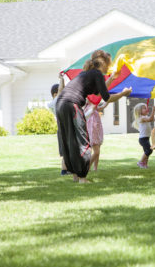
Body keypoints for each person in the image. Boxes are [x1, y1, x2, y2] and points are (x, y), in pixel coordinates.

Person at [56, 50, 132, 183]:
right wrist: (123, 94)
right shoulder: (97, 74)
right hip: (71, 104)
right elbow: (106, 97)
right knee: (82, 141)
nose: (109, 67)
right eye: (109, 64)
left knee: (70, 140)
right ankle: (82, 178)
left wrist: (112, 78)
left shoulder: (88, 74)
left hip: (61, 104)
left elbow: (98, 94)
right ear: (104, 63)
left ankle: (75, 175)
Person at [47, 74, 68, 175]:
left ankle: (67, 169)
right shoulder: (55, 102)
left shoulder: (56, 101)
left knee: (67, 149)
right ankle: (64, 170)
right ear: (55, 94)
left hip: (62, 127)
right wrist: (61, 79)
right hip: (63, 128)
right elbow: (60, 91)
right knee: (65, 150)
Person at [132, 103, 155, 169]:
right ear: (139, 111)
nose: (146, 109)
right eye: (144, 108)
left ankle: (144, 165)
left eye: (146, 108)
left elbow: (154, 119)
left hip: (146, 138)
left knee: (147, 153)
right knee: (149, 151)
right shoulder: (141, 118)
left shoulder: (145, 117)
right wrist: (153, 111)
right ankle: (140, 162)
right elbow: (150, 119)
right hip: (143, 139)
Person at [84, 99, 108, 172]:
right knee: (96, 151)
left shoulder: (95, 107)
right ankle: (86, 168)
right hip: (92, 131)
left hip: (97, 130)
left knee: (97, 150)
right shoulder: (87, 107)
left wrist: (108, 100)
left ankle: (95, 168)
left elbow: (102, 106)